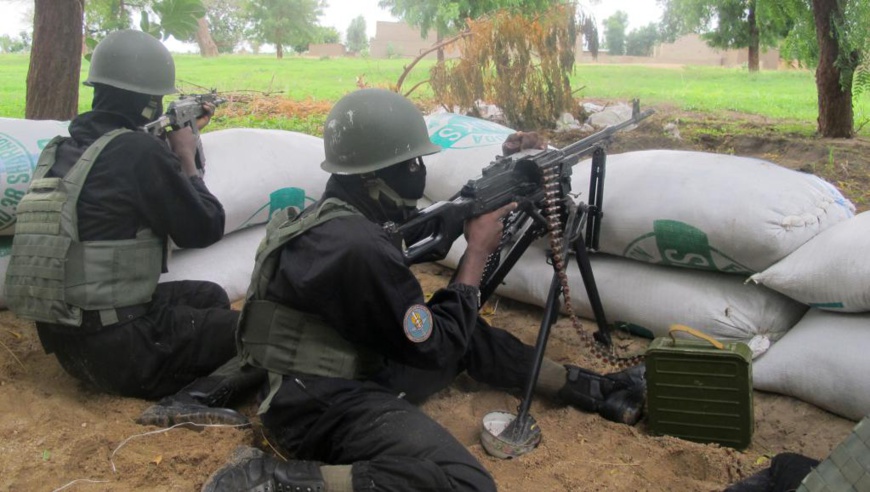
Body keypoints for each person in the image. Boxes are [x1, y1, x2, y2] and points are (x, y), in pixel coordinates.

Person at [201, 88, 646, 491]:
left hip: (324, 375)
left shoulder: (339, 215)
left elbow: (409, 238)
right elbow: (435, 348)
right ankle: (274, 479)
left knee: (467, 328)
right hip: (316, 408)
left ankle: (599, 391)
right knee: (464, 482)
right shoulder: (358, 246)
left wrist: (500, 173)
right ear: (376, 173)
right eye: (412, 163)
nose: (419, 172)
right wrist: (475, 253)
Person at [4, 29, 260, 427]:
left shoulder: (64, 148)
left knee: (207, 295)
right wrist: (187, 157)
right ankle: (187, 400)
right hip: (124, 351)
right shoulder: (136, 151)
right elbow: (205, 228)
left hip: (73, 346)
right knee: (265, 332)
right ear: (148, 103)